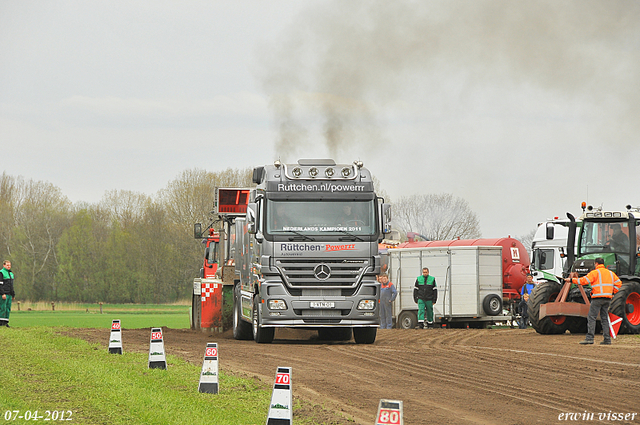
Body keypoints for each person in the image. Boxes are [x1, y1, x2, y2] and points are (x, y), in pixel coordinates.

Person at [565, 257, 622, 345]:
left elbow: (583, 281)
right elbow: (619, 283)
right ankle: (607, 339)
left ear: (596, 264)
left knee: (592, 317)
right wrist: (612, 292)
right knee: (604, 318)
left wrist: (571, 280)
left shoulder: (595, 273)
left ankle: (590, 338)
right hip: (607, 299)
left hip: (597, 298)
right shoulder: (611, 273)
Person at [0, 260, 15, 328]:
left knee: (8, 308)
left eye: (9, 265)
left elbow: (12, 286)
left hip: (9, 294)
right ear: (4, 265)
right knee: (2, 308)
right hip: (3, 294)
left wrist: (13, 294)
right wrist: (2, 293)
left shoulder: (11, 274)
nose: (9, 266)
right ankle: (1, 323)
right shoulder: (1, 273)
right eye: (7, 265)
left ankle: (5, 322)